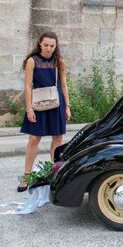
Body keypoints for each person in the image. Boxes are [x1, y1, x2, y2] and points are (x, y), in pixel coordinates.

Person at [18, 31, 71, 192]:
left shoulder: (58, 61)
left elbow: (63, 84)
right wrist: (29, 108)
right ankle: (26, 176)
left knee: (58, 138)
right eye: (46, 45)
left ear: (56, 46)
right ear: (40, 43)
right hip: (38, 103)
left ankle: (55, 173)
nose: (49, 48)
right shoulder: (32, 61)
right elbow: (27, 86)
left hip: (56, 102)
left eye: (52, 46)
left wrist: (67, 106)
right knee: (34, 138)